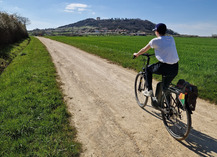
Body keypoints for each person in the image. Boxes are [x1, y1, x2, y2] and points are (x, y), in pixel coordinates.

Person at [133, 23, 179, 97]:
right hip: (175, 67)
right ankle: (168, 106)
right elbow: (167, 49)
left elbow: (144, 50)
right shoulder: (171, 38)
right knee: (165, 87)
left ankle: (149, 90)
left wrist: (137, 54)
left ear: (157, 31)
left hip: (164, 67)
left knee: (148, 69)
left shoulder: (154, 41)